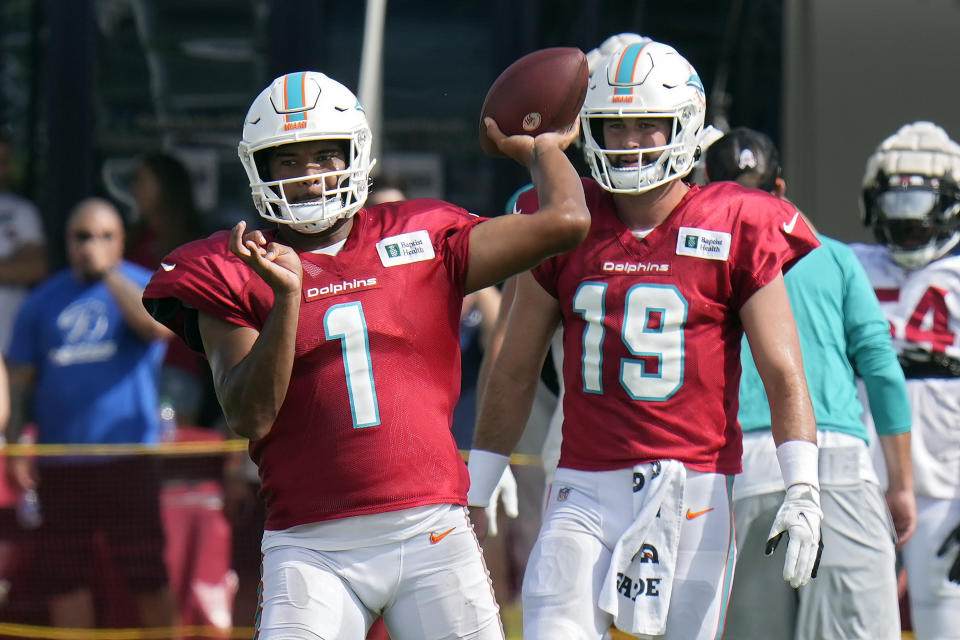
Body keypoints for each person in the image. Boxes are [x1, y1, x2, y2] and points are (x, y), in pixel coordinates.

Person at [141, 70, 590, 640]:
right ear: (259, 168)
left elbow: (568, 222)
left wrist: (544, 149)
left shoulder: (419, 236)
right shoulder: (232, 265)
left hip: (431, 528)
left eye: (326, 156)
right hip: (310, 544)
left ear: (356, 155)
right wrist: (286, 299)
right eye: (290, 160)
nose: (310, 177)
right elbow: (248, 415)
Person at [466, 40, 823, 640]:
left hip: (695, 488)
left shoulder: (735, 219)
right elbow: (515, 364)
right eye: (615, 125)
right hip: (582, 485)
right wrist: (481, 476)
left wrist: (804, 485)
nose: (630, 141)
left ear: (682, 129)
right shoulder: (566, 221)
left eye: (647, 126)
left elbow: (782, 370)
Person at [703, 127, 915, 640]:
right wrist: (902, 484)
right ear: (779, 189)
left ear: (706, 187)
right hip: (836, 465)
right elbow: (881, 369)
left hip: (736, 475)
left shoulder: (695, 259)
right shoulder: (834, 256)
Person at [4, 197, 176, 629]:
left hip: (129, 459)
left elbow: (154, 328)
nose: (92, 245)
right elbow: (21, 379)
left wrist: (109, 276)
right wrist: (15, 443)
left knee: (147, 575)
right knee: (65, 578)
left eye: (104, 236)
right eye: (83, 236)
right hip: (62, 462)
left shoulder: (142, 285)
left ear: (121, 241)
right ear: (67, 241)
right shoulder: (43, 299)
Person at [851, 120, 960, 640]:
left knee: (945, 617)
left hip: (947, 480)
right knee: (852, 620)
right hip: (854, 475)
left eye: (920, 217)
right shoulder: (849, 265)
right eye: (897, 215)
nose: (909, 230)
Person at [0, 132, 48, 353]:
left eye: (6, 162)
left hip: (8, 345)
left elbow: (36, 267)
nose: (4, 169)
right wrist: (10, 264)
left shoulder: (20, 211)